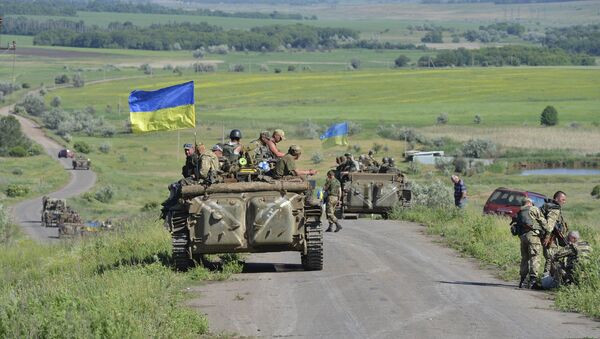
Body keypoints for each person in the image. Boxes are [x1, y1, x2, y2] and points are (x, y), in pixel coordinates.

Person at [514, 198, 547, 288]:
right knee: (535, 257)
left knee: (525, 258)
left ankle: (522, 281)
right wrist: (547, 230)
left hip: (522, 236)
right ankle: (533, 281)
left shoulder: (520, 210)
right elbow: (542, 221)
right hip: (532, 236)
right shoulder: (533, 209)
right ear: (529, 203)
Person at [541, 191, 568, 276]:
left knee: (551, 258)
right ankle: (546, 278)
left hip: (550, 237)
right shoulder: (554, 208)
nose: (564, 201)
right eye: (562, 199)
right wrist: (547, 237)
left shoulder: (549, 206)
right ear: (556, 198)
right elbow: (550, 225)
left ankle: (549, 277)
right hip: (550, 239)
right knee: (551, 258)